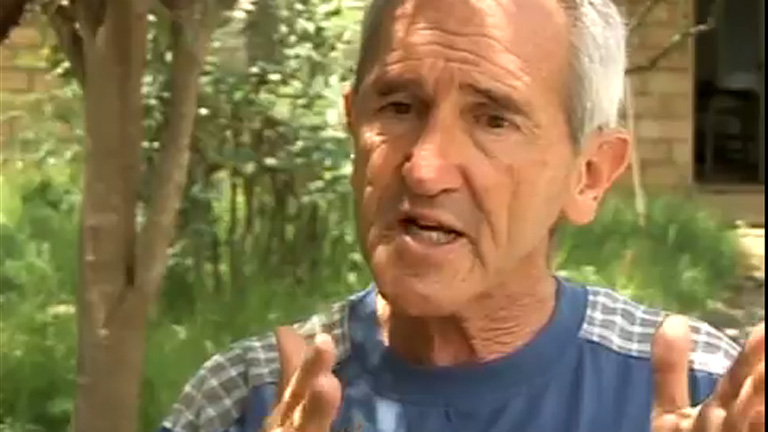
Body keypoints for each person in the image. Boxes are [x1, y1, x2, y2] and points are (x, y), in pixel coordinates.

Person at [160, 0, 766, 431]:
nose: (424, 169)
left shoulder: (710, 395)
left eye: (493, 120)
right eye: (399, 107)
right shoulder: (248, 401)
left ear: (589, 175)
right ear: (354, 127)